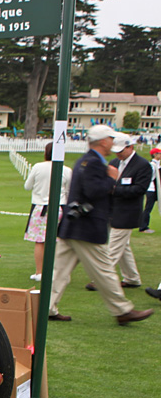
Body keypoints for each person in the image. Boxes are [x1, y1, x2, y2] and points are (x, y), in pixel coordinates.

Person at [47, 125, 152, 325]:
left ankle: (47, 308)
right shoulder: (95, 163)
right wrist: (112, 180)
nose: (113, 143)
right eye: (111, 139)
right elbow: (94, 191)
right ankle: (122, 310)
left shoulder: (86, 161)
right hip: (86, 228)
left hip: (74, 226)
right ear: (104, 141)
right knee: (104, 270)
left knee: (59, 272)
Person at [85, 133, 150, 291]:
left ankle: (101, 279)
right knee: (123, 247)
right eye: (116, 151)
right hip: (112, 210)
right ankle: (132, 278)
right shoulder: (114, 162)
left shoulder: (143, 165)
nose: (118, 154)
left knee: (113, 247)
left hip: (128, 212)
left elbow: (140, 189)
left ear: (130, 147)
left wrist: (115, 190)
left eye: (121, 150)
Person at [23, 142, 71, 282]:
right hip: (59, 208)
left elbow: (28, 186)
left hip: (41, 207)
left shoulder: (38, 167)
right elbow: (69, 189)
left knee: (40, 241)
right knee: (57, 241)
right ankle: (56, 272)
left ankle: (39, 272)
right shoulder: (66, 170)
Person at [139, 147, 160, 234]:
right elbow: (150, 177)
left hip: (156, 188)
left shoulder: (157, 164)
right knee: (148, 208)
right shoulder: (152, 165)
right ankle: (143, 227)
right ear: (155, 154)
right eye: (159, 153)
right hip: (151, 188)